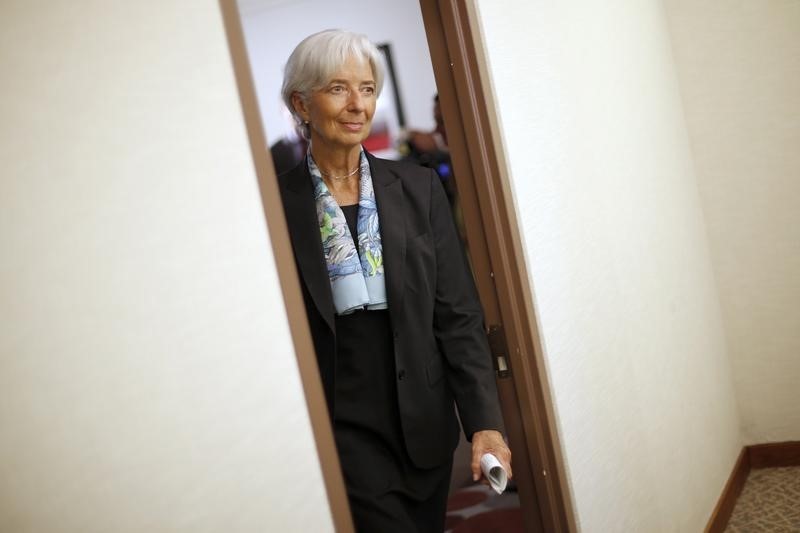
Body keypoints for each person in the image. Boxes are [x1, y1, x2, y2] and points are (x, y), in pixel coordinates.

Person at [277, 29, 511, 532]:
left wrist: (484, 422)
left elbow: (457, 314)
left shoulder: (417, 187)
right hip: (343, 426)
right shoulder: (276, 206)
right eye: (338, 88)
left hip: (422, 420)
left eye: (366, 88)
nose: (357, 104)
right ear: (301, 102)